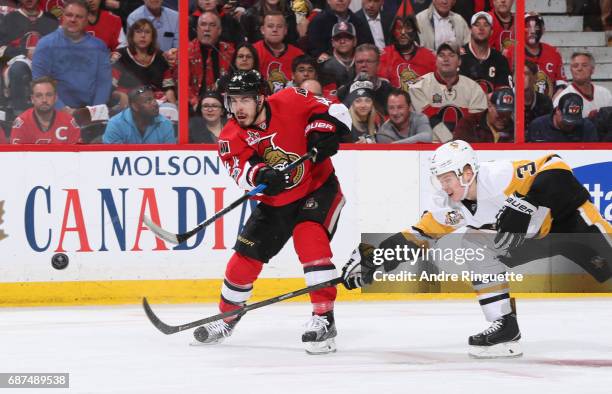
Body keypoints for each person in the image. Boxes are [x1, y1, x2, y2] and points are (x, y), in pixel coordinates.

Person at [341, 140, 612, 358]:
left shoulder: (498, 177)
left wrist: (528, 201)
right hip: (528, 238)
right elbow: (419, 235)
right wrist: (374, 259)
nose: (443, 187)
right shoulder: (452, 206)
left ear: (467, 173)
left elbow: (556, 165)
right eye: (439, 180)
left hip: (568, 221)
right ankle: (505, 325)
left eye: (447, 179)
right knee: (474, 243)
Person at [192, 69, 352, 355]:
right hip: (276, 204)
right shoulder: (230, 136)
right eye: (233, 100)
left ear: (261, 98)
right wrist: (261, 173)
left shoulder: (291, 98)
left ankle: (323, 319)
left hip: (318, 188)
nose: (238, 108)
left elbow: (335, 110)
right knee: (243, 261)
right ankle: (227, 318)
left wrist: (323, 131)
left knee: (309, 238)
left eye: (245, 100)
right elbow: (241, 172)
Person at [32, 0, 111, 113]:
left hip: (90, 111)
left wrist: (95, 111)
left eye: (79, 16)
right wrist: (63, 109)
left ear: (87, 19)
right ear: (62, 16)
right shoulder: (45, 44)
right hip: (55, 111)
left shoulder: (99, 46)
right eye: (69, 15)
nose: (73, 20)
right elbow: (39, 82)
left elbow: (103, 83)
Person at [409, 40, 487, 142]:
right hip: (429, 147)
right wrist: (451, 141)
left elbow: (477, 123)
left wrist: (458, 143)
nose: (446, 59)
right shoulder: (418, 86)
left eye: (451, 55)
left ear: (459, 61)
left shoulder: (474, 88)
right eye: (441, 55)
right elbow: (429, 118)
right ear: (436, 60)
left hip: (466, 146)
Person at [0, 0, 58, 113]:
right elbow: (1, 48)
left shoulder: (51, 19)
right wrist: (25, 51)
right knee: (18, 69)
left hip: (48, 61)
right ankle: (19, 115)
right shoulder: (9, 19)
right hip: (18, 60)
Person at [112, 18, 176, 110]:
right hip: (128, 101)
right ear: (132, 35)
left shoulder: (161, 56)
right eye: (138, 32)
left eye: (147, 32)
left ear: (152, 37)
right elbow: (110, 87)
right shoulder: (120, 56)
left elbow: (168, 88)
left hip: (156, 102)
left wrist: (174, 108)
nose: (143, 36)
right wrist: (121, 95)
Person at [504, 12, 566, 98]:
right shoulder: (511, 53)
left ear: (543, 29)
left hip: (548, 106)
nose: (532, 31)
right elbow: (506, 84)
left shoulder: (553, 53)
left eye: (536, 27)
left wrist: (552, 106)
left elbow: (561, 85)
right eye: (527, 27)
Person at [10, 76, 81, 143]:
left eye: (49, 95)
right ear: (32, 99)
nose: (44, 100)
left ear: (56, 98)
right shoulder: (21, 123)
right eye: (39, 95)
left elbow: (77, 154)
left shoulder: (69, 122)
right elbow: (17, 155)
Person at [188, 11, 235, 110]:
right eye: (203, 25)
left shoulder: (230, 52)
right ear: (197, 29)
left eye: (212, 25)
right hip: (194, 107)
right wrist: (196, 103)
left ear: (219, 30)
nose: (207, 29)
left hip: (225, 107)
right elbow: (182, 85)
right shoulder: (186, 52)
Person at [377, 14, 436, 92]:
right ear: (393, 31)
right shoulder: (384, 56)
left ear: (415, 31)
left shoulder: (429, 56)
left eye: (408, 28)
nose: (403, 32)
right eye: (399, 28)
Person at [459, 11, 511, 94]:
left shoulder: (500, 60)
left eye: (486, 25)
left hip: (492, 105)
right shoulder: (458, 56)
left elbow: (504, 93)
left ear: (491, 32)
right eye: (477, 24)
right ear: (470, 30)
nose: (481, 28)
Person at [102, 85, 175, 143]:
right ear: (135, 106)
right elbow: (113, 157)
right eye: (148, 101)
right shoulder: (116, 124)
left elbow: (169, 155)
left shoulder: (165, 123)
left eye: (154, 99)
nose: (155, 103)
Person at [253, 11, 304, 94]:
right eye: (270, 26)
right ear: (262, 30)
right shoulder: (252, 51)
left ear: (285, 30)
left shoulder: (298, 54)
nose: (275, 30)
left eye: (279, 26)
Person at [552, 52, 612, 118]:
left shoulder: (605, 93)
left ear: (592, 69)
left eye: (584, 65)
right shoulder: (563, 97)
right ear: (571, 70)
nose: (579, 69)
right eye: (575, 66)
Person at [306, 0, 372, 59]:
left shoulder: (358, 21)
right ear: (328, 1)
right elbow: (313, 49)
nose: (340, 0)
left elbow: (366, 46)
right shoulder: (318, 21)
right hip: (327, 65)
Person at [527, 92, 599, 142]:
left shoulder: (587, 128)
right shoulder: (538, 126)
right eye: (566, 121)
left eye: (574, 121)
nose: (570, 125)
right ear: (557, 110)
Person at [524, 59, 553, 128]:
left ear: (535, 77)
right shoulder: (507, 98)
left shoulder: (545, 101)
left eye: (525, 74)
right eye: (517, 74)